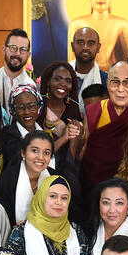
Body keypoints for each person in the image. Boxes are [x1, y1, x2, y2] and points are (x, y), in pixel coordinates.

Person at [78, 61, 128, 207]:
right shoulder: (94, 111)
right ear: (108, 84)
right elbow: (83, 152)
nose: (121, 89)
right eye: (115, 82)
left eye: (127, 83)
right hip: (94, 187)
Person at [37, 62, 85, 217]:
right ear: (48, 82)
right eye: (58, 79)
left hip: (68, 174)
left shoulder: (73, 110)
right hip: (40, 173)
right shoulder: (36, 108)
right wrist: (64, 137)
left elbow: (78, 148)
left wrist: (81, 133)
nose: (63, 84)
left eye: (68, 81)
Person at [66, 0, 128, 72]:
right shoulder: (76, 24)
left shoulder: (123, 25)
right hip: (84, 78)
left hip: (112, 78)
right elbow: (72, 62)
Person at [0, 131, 56, 226]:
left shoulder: (55, 178)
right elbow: (2, 220)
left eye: (46, 153)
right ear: (23, 153)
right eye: (35, 150)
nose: (41, 157)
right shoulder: (6, 181)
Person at [0, 83, 45, 168]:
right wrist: (62, 140)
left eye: (31, 106)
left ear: (39, 107)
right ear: (13, 110)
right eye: (20, 107)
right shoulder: (7, 135)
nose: (26, 112)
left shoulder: (46, 134)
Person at [0, 29, 35, 108]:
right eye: (13, 48)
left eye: (23, 49)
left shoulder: (31, 86)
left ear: (28, 55)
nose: (17, 53)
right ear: (4, 50)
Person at [70, 26, 108, 113]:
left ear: (98, 47)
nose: (85, 47)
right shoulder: (60, 78)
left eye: (91, 43)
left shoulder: (106, 81)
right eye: (80, 42)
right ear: (72, 46)